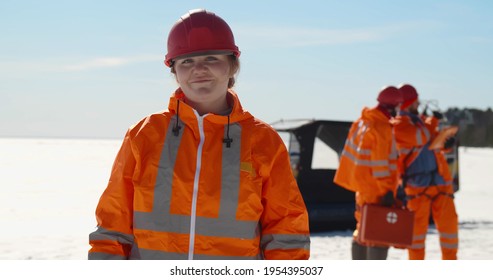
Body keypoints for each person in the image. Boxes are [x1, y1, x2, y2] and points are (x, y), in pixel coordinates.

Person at [88, 9, 310, 260]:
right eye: (186, 61)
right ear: (174, 71)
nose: (199, 69)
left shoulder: (263, 141)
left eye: (212, 58)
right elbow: (112, 225)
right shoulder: (144, 134)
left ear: (232, 66)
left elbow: (287, 229)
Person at [334, 86, 403, 260]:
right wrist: (387, 192)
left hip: (362, 187)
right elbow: (380, 166)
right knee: (378, 235)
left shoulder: (363, 121)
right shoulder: (382, 127)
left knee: (362, 230)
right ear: (392, 106)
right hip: (377, 189)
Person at [394, 83, 459, 260]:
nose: (419, 105)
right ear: (407, 103)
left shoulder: (421, 123)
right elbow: (421, 137)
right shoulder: (399, 125)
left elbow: (432, 144)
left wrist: (445, 144)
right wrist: (432, 122)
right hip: (416, 188)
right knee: (416, 237)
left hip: (440, 184)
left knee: (450, 232)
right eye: (416, 102)